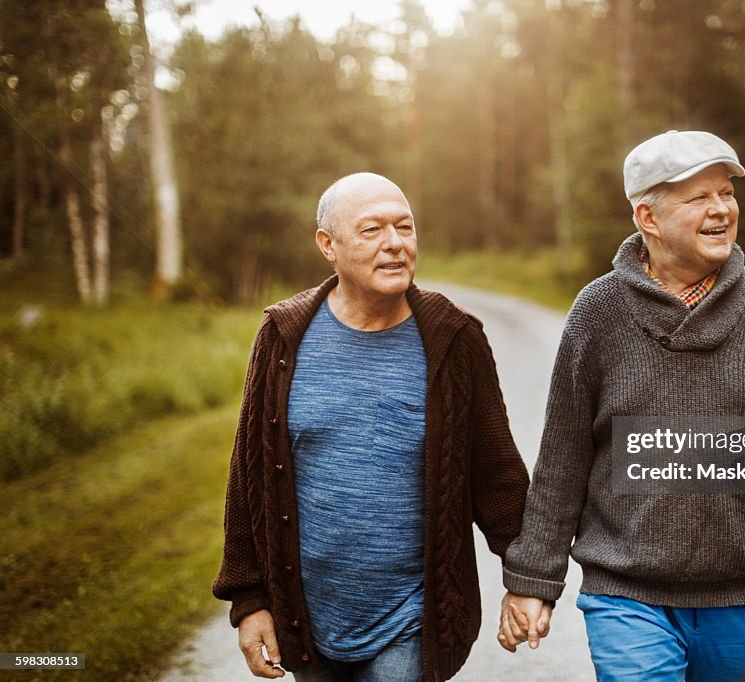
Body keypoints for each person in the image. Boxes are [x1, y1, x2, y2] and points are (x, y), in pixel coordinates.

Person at [497, 131, 745, 681]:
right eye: (698, 198)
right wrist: (532, 579)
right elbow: (562, 461)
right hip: (626, 593)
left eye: (725, 194)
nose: (721, 210)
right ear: (648, 217)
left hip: (742, 595)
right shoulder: (598, 313)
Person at [212, 172, 530, 681]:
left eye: (404, 227)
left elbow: (496, 472)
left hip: (411, 617)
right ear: (328, 245)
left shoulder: (453, 339)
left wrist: (527, 578)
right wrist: (249, 601)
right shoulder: (282, 336)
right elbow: (249, 477)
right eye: (371, 230)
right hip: (309, 617)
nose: (394, 244)